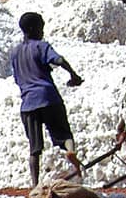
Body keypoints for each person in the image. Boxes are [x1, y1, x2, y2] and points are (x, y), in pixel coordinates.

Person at [10, 12, 84, 187]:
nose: (42, 31)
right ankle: (70, 151)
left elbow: (17, 78)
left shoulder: (15, 53)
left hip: (28, 104)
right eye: (40, 27)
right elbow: (58, 59)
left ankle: (35, 184)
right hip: (49, 97)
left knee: (34, 149)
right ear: (32, 28)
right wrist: (74, 75)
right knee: (64, 133)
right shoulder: (41, 46)